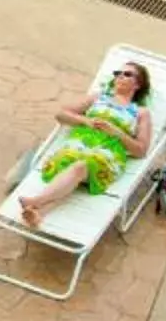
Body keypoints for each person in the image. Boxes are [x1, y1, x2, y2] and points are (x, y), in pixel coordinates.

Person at [15, 60, 153, 229]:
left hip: (107, 154)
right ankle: (39, 213)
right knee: (76, 169)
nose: (120, 76)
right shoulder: (98, 97)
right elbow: (61, 114)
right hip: (77, 146)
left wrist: (117, 132)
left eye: (127, 74)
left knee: (80, 167)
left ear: (138, 84)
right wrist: (85, 121)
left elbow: (141, 150)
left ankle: (36, 201)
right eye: (118, 73)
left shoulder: (140, 112)